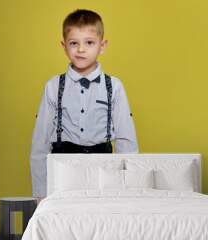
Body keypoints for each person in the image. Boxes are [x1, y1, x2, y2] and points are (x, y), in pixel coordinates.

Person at [30, 9, 138, 200]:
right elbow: (41, 142)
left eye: (89, 42)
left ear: (102, 46)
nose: (81, 50)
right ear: (64, 47)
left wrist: (128, 187)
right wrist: (40, 193)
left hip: (104, 174)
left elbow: (126, 140)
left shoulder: (114, 86)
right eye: (74, 43)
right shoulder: (53, 86)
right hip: (62, 173)